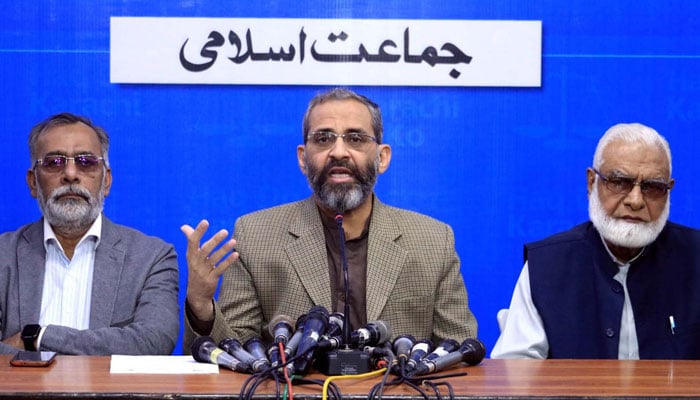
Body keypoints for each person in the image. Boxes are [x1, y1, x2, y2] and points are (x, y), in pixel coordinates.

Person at [182, 88, 477, 350]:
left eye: (356, 138)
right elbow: (237, 352)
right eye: (323, 139)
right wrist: (201, 304)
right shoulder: (256, 234)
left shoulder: (432, 240)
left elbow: (459, 351)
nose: (338, 152)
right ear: (302, 157)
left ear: (382, 157)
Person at [492, 122, 700, 359]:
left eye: (652, 187)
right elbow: (517, 370)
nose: (635, 200)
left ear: (669, 191)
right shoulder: (547, 266)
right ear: (592, 183)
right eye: (620, 182)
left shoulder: (695, 258)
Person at [0, 113, 179, 355]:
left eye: (86, 162)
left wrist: (37, 336)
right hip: (22, 394)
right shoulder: (4, 255)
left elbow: (154, 342)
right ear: (33, 183)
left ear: (106, 181)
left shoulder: (151, 257)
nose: (71, 174)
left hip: (108, 393)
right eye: (54, 162)